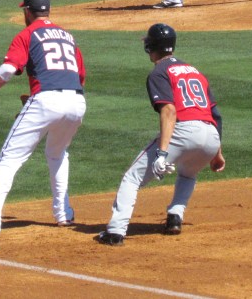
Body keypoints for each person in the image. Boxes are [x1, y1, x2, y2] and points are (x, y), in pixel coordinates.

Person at [0, 0, 87, 238]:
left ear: (27, 12)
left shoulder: (27, 34)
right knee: (57, 154)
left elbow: (8, 70)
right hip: (77, 101)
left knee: (8, 161)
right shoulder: (67, 36)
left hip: (46, 100)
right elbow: (80, 76)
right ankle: (63, 214)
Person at [96, 23, 225, 246]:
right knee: (188, 173)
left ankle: (115, 231)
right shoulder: (195, 71)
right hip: (211, 135)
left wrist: (163, 153)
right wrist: (217, 152)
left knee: (132, 177)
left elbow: (169, 110)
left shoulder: (159, 72)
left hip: (184, 131)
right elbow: (214, 114)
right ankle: (175, 216)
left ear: (152, 46)